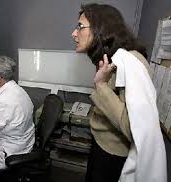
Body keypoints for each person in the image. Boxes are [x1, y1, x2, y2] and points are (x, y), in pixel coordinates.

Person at [71, 3, 167, 182]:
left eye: (80, 27)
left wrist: (100, 85)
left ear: (101, 29)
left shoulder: (131, 61)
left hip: (113, 155)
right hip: (101, 145)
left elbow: (135, 128)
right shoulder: (111, 59)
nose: (74, 33)